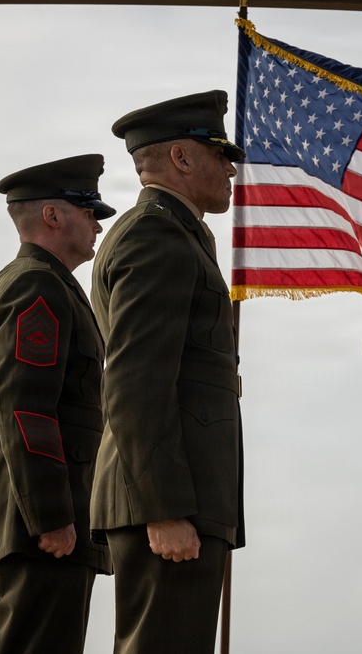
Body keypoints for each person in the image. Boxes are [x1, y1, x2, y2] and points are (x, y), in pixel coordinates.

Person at [90, 89, 246, 653]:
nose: (231, 167)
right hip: (170, 500)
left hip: (179, 495)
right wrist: (165, 508)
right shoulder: (158, 235)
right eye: (219, 153)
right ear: (181, 157)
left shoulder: (172, 232)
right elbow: (135, 381)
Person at [0, 154, 116, 653]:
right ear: (52, 216)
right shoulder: (37, 285)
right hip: (44, 517)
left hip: (42, 513)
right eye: (88, 211)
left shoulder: (43, 283)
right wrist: (50, 514)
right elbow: (25, 406)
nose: (96, 224)